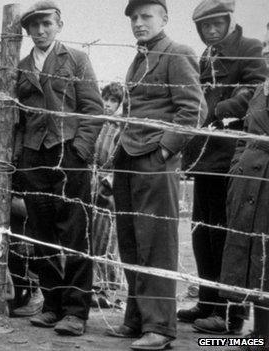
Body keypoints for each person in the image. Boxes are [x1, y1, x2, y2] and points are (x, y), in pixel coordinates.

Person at [107, 1, 207, 350]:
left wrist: (165, 150)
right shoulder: (140, 57)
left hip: (153, 160)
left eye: (145, 16)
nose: (138, 23)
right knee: (131, 241)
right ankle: (136, 320)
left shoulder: (177, 53)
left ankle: (161, 328)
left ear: (165, 18)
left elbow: (193, 109)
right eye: (133, 18)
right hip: (128, 158)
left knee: (157, 243)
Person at [13, 1, 104, 336]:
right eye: (33, 26)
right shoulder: (19, 67)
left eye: (46, 24)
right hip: (33, 159)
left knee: (75, 232)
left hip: (69, 155)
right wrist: (21, 157)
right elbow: (17, 119)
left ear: (59, 24)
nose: (40, 31)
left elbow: (93, 108)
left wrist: (79, 149)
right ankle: (52, 305)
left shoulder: (76, 59)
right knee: (41, 233)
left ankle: (76, 312)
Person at [179, 0, 268, 334]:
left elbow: (256, 92)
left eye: (217, 24)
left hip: (232, 156)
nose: (211, 31)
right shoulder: (208, 55)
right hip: (205, 155)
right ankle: (207, 301)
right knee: (201, 232)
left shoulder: (250, 48)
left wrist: (216, 110)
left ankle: (230, 315)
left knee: (225, 235)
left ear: (230, 21)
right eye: (205, 27)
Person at [220, 79, 269, 349]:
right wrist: (236, 167)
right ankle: (260, 333)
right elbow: (245, 134)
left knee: (266, 254)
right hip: (247, 179)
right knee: (250, 255)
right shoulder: (261, 89)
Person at [91, 82, 124, 307]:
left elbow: (119, 162)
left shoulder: (121, 128)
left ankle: (108, 290)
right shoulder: (100, 125)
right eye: (106, 99)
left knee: (108, 240)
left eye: (113, 101)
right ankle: (95, 286)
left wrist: (107, 182)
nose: (108, 104)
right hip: (93, 183)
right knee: (93, 237)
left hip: (110, 188)